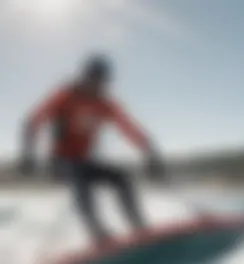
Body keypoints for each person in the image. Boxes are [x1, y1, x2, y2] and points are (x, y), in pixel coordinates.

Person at [20, 54, 165, 243]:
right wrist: (28, 155)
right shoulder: (65, 96)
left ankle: (140, 229)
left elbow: (128, 127)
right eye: (94, 79)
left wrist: (151, 154)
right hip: (60, 163)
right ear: (85, 76)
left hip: (84, 162)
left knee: (122, 177)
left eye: (103, 82)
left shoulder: (104, 104)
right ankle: (99, 235)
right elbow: (31, 122)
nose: (98, 86)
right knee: (79, 175)